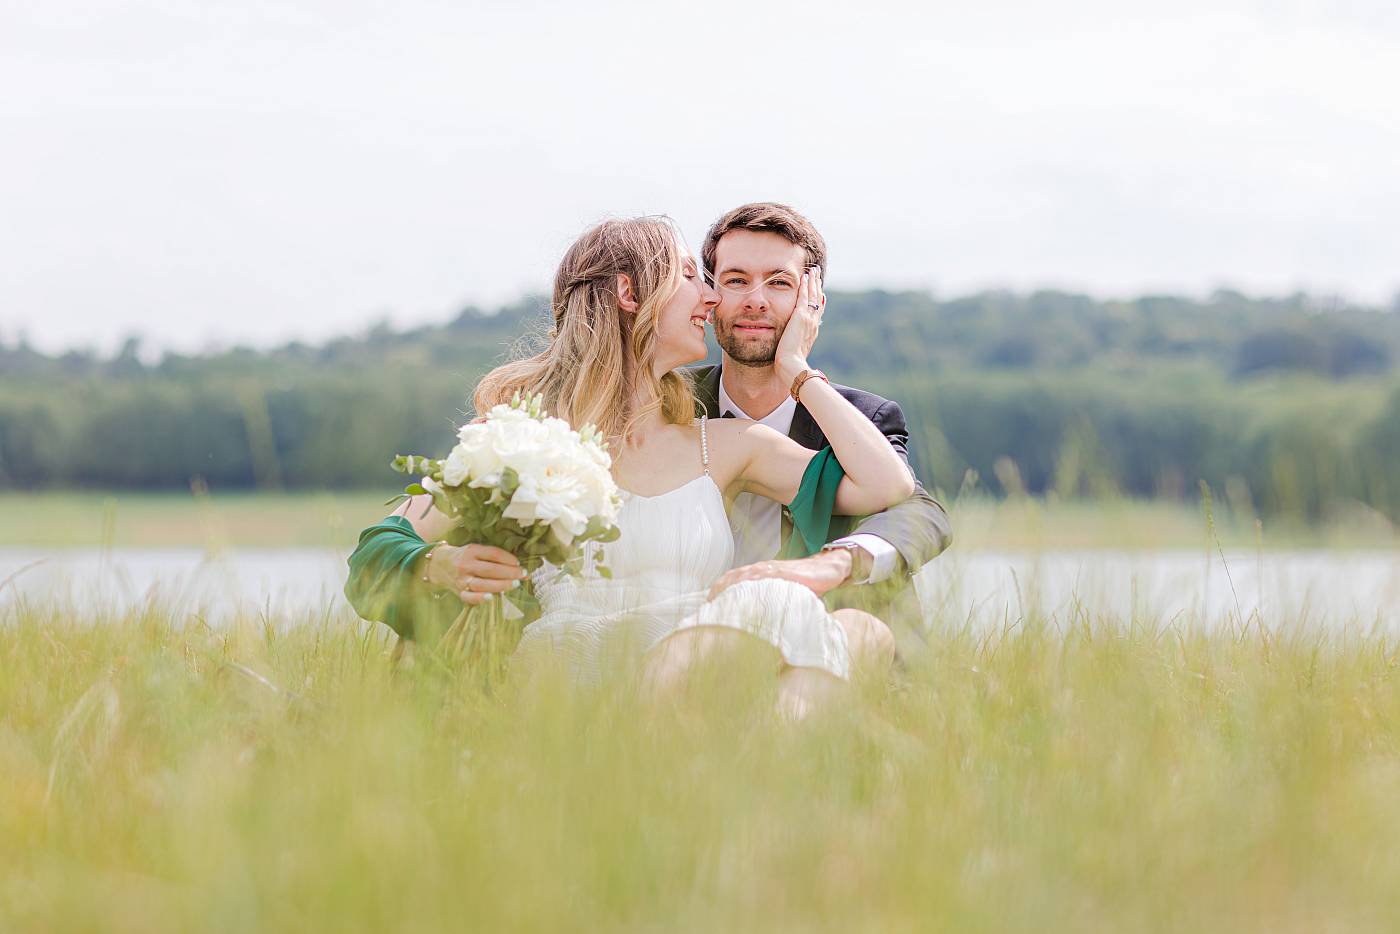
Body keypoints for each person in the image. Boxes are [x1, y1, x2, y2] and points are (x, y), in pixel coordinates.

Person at [347, 216, 914, 718]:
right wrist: (438, 565)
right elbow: (377, 547)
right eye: (691, 275)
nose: (713, 297)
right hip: (565, 675)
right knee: (778, 607)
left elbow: (886, 483)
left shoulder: (728, 445)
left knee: (817, 616)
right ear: (627, 291)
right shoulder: (523, 438)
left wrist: (796, 368)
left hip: (699, 670)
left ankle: (757, 775)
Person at [688, 203, 951, 645]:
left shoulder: (866, 417)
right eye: (736, 280)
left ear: (813, 303)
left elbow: (917, 512)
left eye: (779, 283)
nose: (756, 299)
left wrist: (796, 369)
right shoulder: (665, 404)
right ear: (710, 298)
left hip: (833, 652)